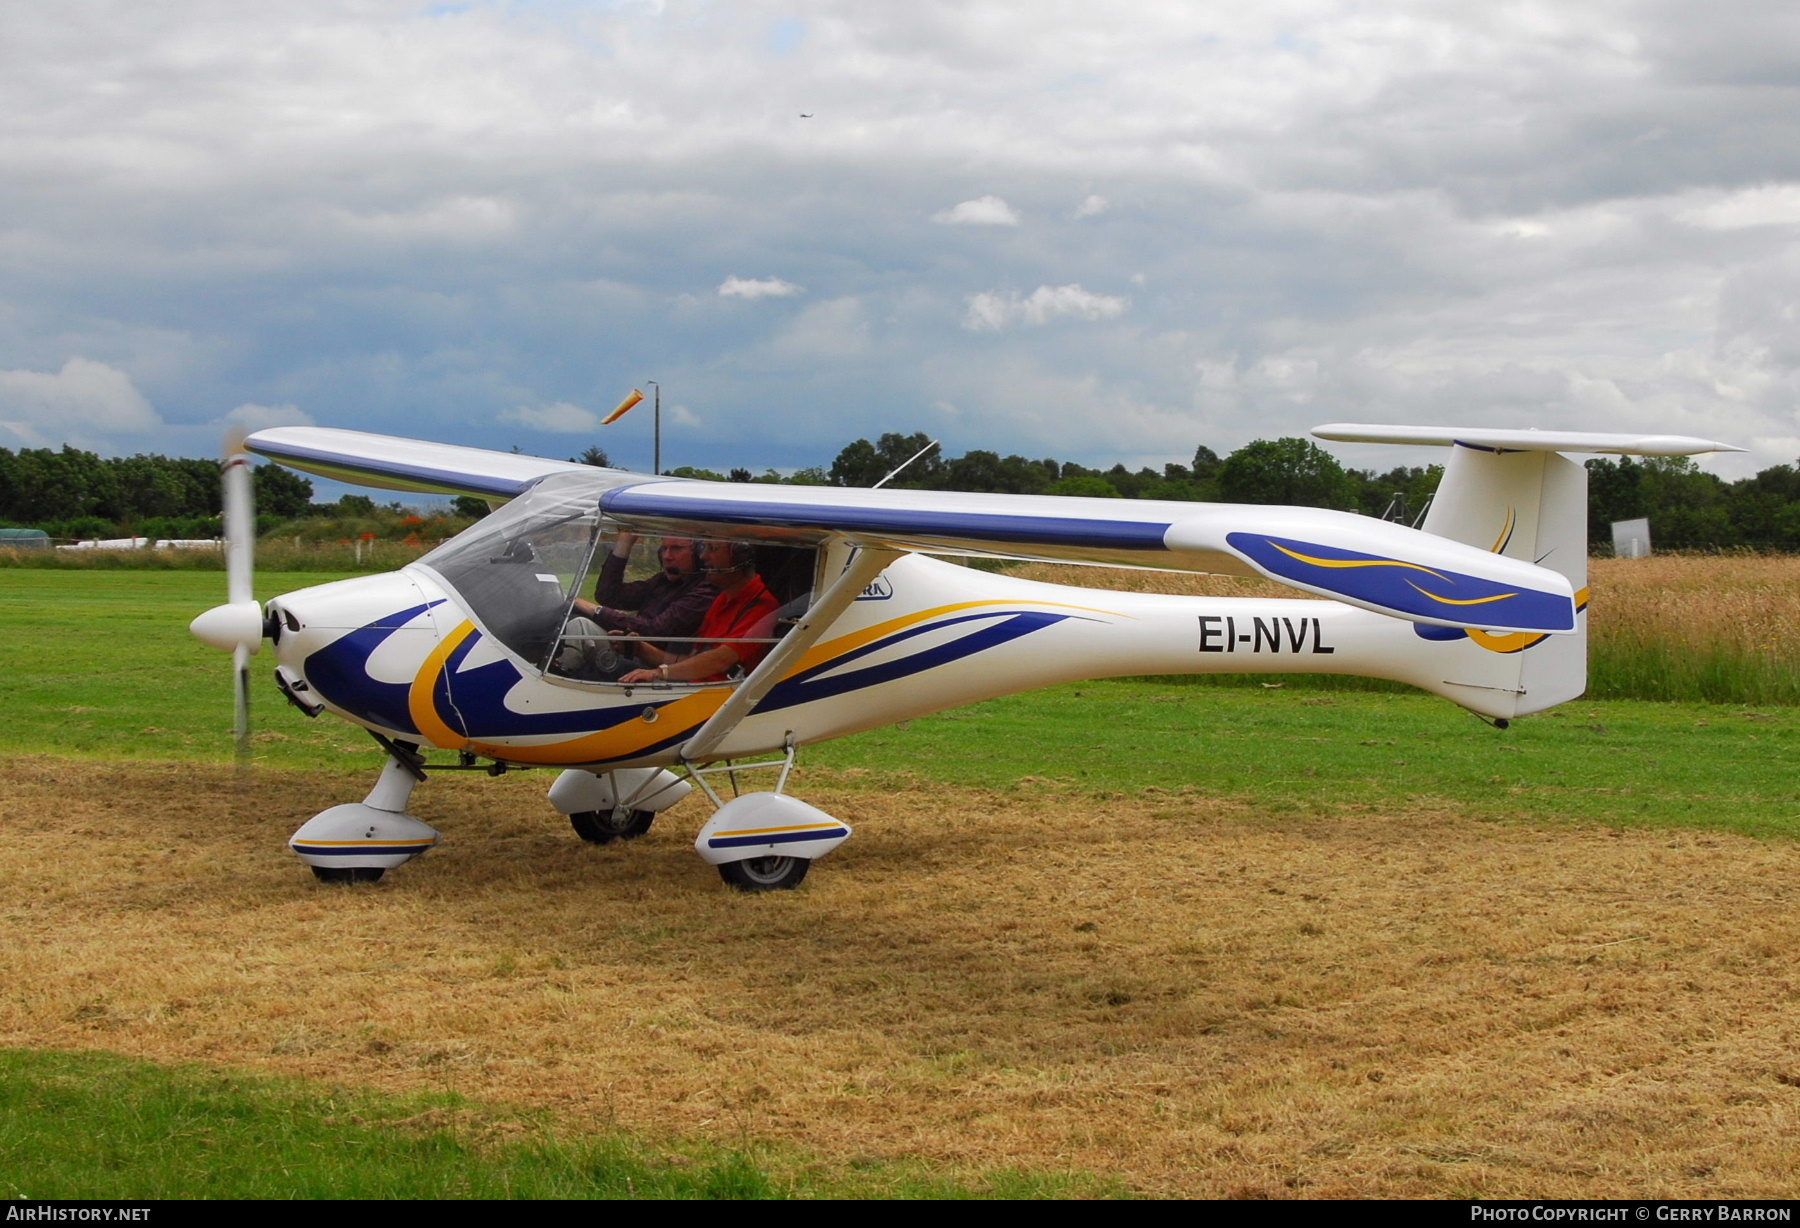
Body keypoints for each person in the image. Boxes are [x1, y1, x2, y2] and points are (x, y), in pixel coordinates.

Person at [556, 532, 715, 679]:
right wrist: (624, 543)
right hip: (629, 646)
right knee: (571, 618)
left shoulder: (705, 590)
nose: (667, 556)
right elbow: (609, 595)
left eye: (676, 548)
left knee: (580, 627)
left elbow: (655, 630)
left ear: (699, 553)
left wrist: (596, 610)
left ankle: (557, 683)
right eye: (664, 548)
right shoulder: (662, 582)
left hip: (655, 664)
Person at [620, 540, 780, 685]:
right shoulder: (723, 598)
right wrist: (640, 649)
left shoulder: (762, 607)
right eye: (703, 548)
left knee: (609, 671)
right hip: (694, 688)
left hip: (716, 699)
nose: (703, 556)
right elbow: (693, 660)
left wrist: (659, 673)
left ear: (740, 556)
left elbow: (720, 660)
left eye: (712, 548)